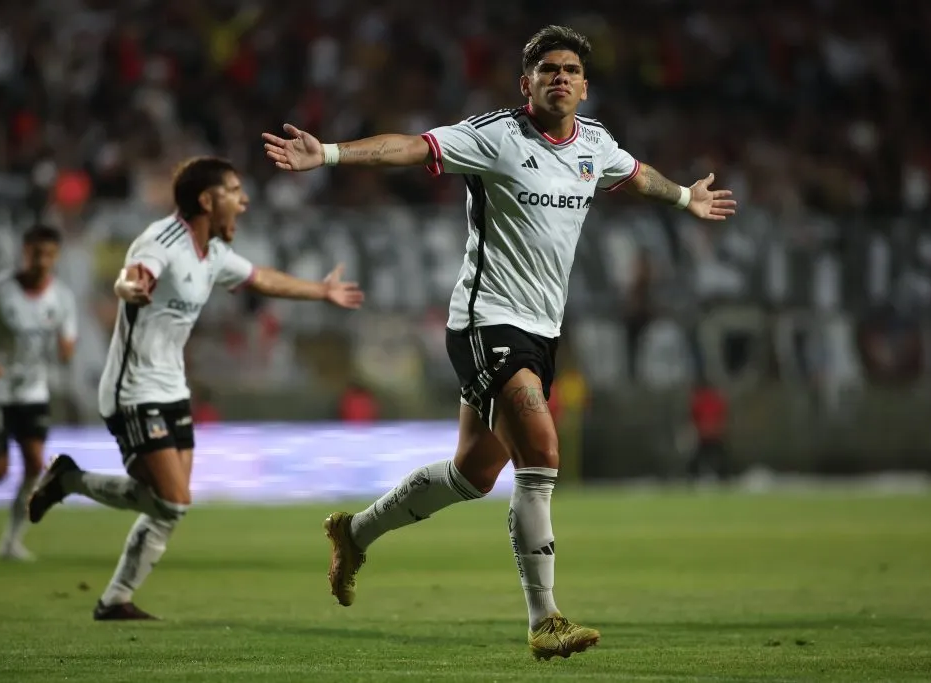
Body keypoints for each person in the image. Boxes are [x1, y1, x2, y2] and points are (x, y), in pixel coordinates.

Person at [262, 24, 736, 659]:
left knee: (472, 474)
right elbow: (411, 146)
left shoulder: (595, 145)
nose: (560, 78)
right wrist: (332, 155)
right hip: (487, 321)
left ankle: (355, 533)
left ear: (585, 85)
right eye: (548, 70)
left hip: (543, 328)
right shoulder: (494, 137)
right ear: (527, 83)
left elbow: (634, 174)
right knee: (540, 451)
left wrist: (683, 197)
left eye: (570, 69)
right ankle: (546, 620)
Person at [26, 156, 364, 620]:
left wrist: (319, 291)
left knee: (169, 504)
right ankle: (71, 483)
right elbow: (132, 277)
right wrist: (130, 288)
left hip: (171, 388)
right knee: (172, 498)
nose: (244, 202)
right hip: (133, 389)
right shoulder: (160, 241)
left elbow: (260, 278)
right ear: (207, 200)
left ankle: (114, 598)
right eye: (235, 191)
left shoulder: (215, 253)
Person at [0, 225, 77, 561]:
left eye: (48, 254)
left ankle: (10, 542)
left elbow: (67, 337)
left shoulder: (62, 296)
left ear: (56, 256)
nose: (41, 261)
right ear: (25, 253)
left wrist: (66, 349)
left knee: (36, 463)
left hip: (32, 391)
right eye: (36, 253)